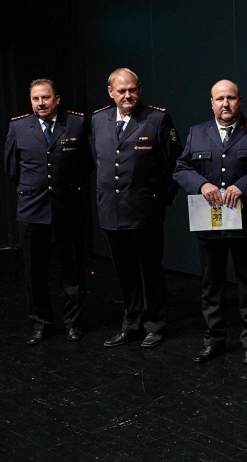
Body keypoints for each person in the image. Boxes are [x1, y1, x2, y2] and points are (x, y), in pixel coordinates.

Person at [173, 80, 247, 365]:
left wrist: (243, 185)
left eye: (230, 98)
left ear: (239, 100)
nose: (225, 104)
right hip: (209, 221)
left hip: (246, 222)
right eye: (219, 99)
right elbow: (181, 167)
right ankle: (213, 340)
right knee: (211, 285)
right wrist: (201, 185)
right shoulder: (197, 132)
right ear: (212, 103)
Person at [91, 67, 182, 349]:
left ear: (139, 89)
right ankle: (131, 324)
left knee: (149, 270)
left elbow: (173, 163)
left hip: (144, 210)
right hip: (111, 210)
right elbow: (98, 159)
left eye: (132, 90)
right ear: (111, 92)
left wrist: (160, 199)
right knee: (125, 272)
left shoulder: (157, 118)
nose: (127, 95)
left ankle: (155, 324)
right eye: (121, 91)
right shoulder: (98, 119)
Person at [4, 79, 91, 344]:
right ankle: (40, 323)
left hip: (67, 207)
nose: (40, 103)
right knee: (34, 271)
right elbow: (12, 168)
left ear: (57, 99)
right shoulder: (18, 126)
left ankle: (73, 322)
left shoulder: (76, 123)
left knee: (72, 269)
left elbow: (86, 162)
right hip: (32, 208)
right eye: (35, 99)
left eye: (45, 98)